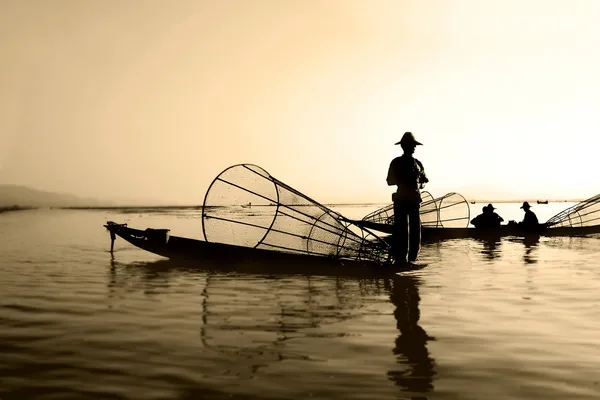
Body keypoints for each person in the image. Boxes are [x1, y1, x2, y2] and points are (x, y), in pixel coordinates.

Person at [386, 132, 428, 264]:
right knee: (401, 229)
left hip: (414, 201)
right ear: (404, 147)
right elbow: (389, 181)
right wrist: (405, 179)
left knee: (415, 230)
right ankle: (400, 259)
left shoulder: (418, 164)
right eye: (411, 145)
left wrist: (419, 182)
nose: (413, 148)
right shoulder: (396, 162)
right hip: (401, 201)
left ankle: (412, 259)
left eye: (414, 145)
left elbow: (424, 181)